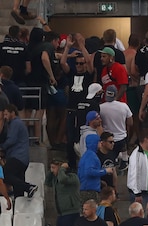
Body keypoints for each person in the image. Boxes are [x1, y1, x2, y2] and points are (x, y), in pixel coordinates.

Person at [60, 33, 94, 169]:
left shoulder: (88, 75)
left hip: (83, 110)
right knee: (70, 138)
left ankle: (82, 164)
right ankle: (72, 164)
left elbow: (90, 62)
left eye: (81, 63)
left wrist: (81, 46)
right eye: (77, 63)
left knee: (82, 138)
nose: (79, 65)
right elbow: (62, 62)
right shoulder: (72, 73)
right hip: (71, 109)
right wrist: (68, 47)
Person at [3, 104, 38, 197]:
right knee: (18, 187)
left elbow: (11, 140)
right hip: (23, 159)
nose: (5, 117)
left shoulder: (15, 123)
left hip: (17, 157)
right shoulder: (16, 124)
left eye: (6, 114)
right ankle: (20, 200)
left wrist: (2, 147)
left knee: (5, 175)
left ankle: (28, 187)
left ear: (13, 113)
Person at [99, 85, 132, 163]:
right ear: (116, 94)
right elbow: (130, 123)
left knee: (109, 160)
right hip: (122, 139)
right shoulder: (124, 106)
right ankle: (124, 160)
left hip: (108, 140)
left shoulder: (101, 107)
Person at [78, 134, 114, 203]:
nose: (100, 143)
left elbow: (80, 173)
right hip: (91, 190)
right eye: (98, 142)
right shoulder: (92, 156)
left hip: (84, 188)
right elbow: (89, 171)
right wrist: (105, 171)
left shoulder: (85, 155)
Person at [127, 128, 148, 203]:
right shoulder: (137, 155)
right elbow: (134, 173)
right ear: (146, 139)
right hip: (142, 193)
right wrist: (137, 193)